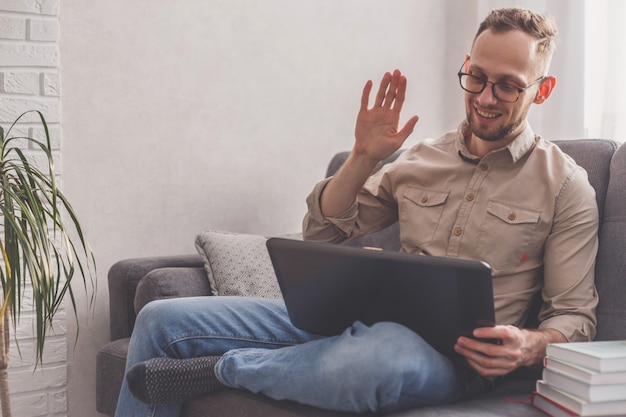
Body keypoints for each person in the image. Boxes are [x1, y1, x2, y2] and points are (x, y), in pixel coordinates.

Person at [114, 7, 598, 416]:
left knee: (376, 359)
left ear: (544, 87)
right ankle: (303, 356)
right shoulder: (420, 158)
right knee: (160, 318)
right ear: (467, 66)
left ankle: (221, 369)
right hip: (353, 321)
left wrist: (528, 345)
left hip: (451, 363)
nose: (486, 97)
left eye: (508, 86)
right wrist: (363, 157)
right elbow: (322, 238)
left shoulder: (566, 185)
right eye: (477, 78)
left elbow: (576, 320)